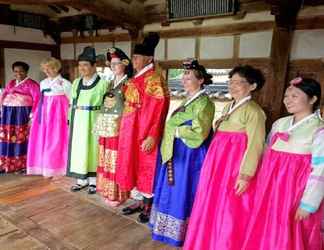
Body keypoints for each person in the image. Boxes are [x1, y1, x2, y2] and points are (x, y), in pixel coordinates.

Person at [183, 65, 266, 250]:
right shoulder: (229, 105)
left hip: (234, 167)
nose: (232, 86)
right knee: (212, 204)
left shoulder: (254, 112)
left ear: (252, 86)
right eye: (231, 82)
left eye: (239, 82)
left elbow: (256, 145)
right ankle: (207, 242)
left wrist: (246, 175)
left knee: (229, 209)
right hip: (218, 164)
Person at [243, 77, 324, 250]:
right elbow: (266, 155)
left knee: (289, 234)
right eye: (287, 96)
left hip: (294, 191)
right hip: (270, 188)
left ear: (313, 98)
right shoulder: (280, 124)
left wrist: (308, 203)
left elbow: (321, 170)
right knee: (265, 227)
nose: (287, 100)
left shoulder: (319, 130)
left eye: (294, 96)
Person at [149, 59, 215, 247]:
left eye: (189, 76)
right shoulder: (189, 99)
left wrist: (176, 131)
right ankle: (164, 228)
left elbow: (200, 132)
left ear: (200, 80)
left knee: (182, 189)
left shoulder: (205, 103)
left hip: (189, 153)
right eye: (184, 76)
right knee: (172, 188)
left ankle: (181, 231)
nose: (184, 79)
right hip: (177, 150)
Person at [116, 32, 170, 223]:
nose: (134, 60)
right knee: (132, 163)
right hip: (130, 129)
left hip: (144, 131)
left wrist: (152, 135)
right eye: (134, 57)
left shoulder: (153, 79)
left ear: (149, 58)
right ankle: (139, 199)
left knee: (146, 165)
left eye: (137, 57)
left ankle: (148, 204)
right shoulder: (134, 78)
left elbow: (159, 110)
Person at [94, 47, 133, 206]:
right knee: (105, 158)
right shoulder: (111, 83)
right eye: (112, 63)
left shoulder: (129, 84)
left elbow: (131, 108)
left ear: (125, 64)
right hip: (106, 127)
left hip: (119, 128)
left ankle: (118, 194)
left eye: (117, 63)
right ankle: (106, 190)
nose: (114, 66)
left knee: (116, 160)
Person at [67, 46, 109, 194]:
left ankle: (93, 181)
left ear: (94, 66)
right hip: (78, 120)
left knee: (93, 149)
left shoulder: (103, 83)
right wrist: (69, 119)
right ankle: (81, 180)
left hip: (94, 120)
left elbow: (107, 105)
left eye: (85, 65)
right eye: (80, 65)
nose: (82, 68)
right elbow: (72, 102)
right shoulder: (76, 82)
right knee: (79, 149)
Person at [27, 57, 71, 177]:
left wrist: (69, 117)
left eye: (49, 68)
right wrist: (34, 115)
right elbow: (40, 100)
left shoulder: (65, 83)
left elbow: (71, 101)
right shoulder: (43, 83)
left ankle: (57, 167)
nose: (47, 71)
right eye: (45, 69)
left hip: (58, 117)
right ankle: (44, 166)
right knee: (42, 140)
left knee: (55, 141)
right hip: (44, 115)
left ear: (56, 68)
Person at [0, 61, 40, 173]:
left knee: (20, 137)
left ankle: (21, 165)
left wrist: (32, 116)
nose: (18, 74)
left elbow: (37, 100)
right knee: (8, 137)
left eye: (21, 71)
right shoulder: (12, 82)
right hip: (8, 113)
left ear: (26, 71)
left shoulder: (32, 84)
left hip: (22, 114)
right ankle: (7, 163)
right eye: (16, 71)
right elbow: (4, 94)